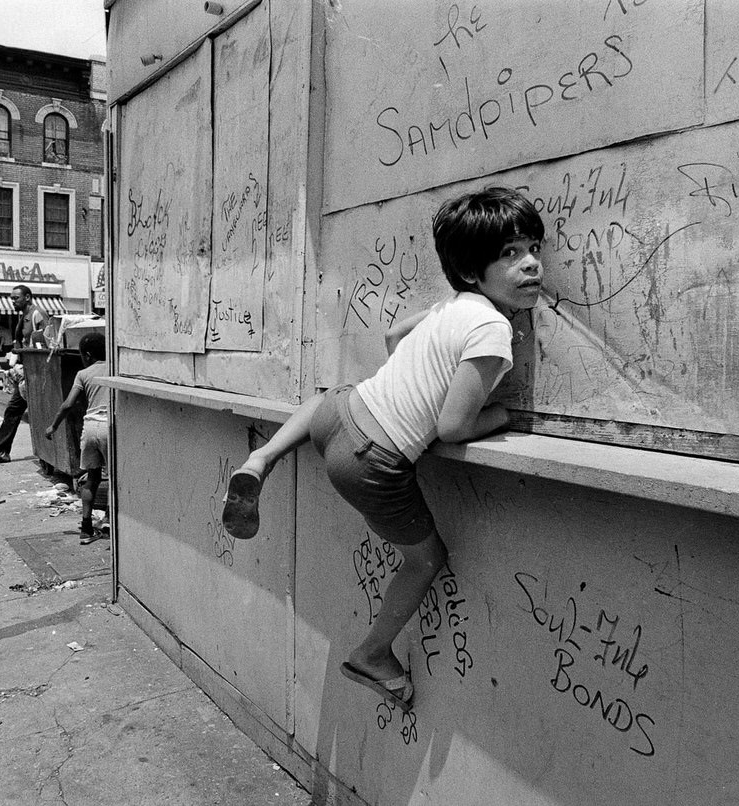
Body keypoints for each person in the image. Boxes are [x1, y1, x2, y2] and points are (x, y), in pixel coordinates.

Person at [220, 186, 545, 712]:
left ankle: (262, 459)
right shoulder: (491, 329)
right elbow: (453, 427)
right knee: (426, 558)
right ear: (472, 271)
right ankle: (373, 652)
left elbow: (394, 338)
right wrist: (506, 415)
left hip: (338, 419)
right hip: (373, 464)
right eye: (509, 254)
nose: (531, 264)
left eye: (533, 248)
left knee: (331, 394)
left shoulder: (457, 305)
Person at [44, 333, 110, 545]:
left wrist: (53, 426)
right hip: (110, 424)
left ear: (88, 355)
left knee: (92, 478)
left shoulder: (82, 374)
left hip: (90, 426)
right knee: (116, 479)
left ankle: (86, 528)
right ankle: (109, 522)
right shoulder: (114, 368)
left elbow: (68, 404)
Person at [0, 285, 46, 465]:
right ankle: (2, 452)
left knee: (39, 413)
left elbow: (47, 343)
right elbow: (20, 345)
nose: (13, 301)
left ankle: (46, 453)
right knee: (13, 411)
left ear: (27, 297)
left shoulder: (37, 314)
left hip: (37, 374)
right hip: (26, 373)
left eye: (16, 298)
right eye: (11, 298)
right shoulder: (22, 318)